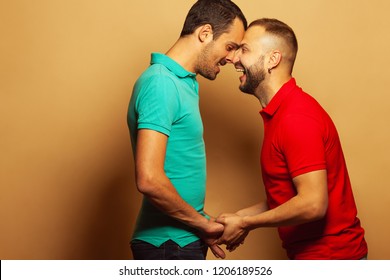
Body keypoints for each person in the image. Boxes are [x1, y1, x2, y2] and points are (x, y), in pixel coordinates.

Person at [215, 18, 368, 260]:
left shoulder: (296, 118)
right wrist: (239, 217)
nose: (233, 58)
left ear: (272, 59)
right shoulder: (280, 113)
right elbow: (288, 196)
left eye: (244, 50)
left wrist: (246, 223)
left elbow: (313, 204)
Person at [127, 0, 246, 260]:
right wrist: (201, 224)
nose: (233, 58)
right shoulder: (161, 83)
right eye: (230, 47)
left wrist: (199, 224)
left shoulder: (184, 83)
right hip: (166, 245)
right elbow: (148, 178)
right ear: (205, 34)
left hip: (181, 240)